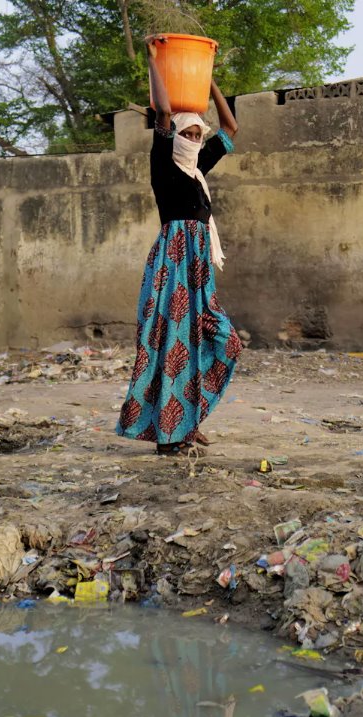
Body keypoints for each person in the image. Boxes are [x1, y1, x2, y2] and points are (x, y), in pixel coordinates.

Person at [117, 35, 242, 457]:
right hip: (173, 262)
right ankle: (171, 432)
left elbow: (230, 129)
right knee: (174, 343)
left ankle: (189, 418)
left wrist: (209, 83)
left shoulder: (196, 168)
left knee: (224, 342)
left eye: (195, 131)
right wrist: (155, 61)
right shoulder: (163, 164)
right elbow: (164, 112)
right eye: (185, 132)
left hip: (198, 264)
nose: (190, 136)